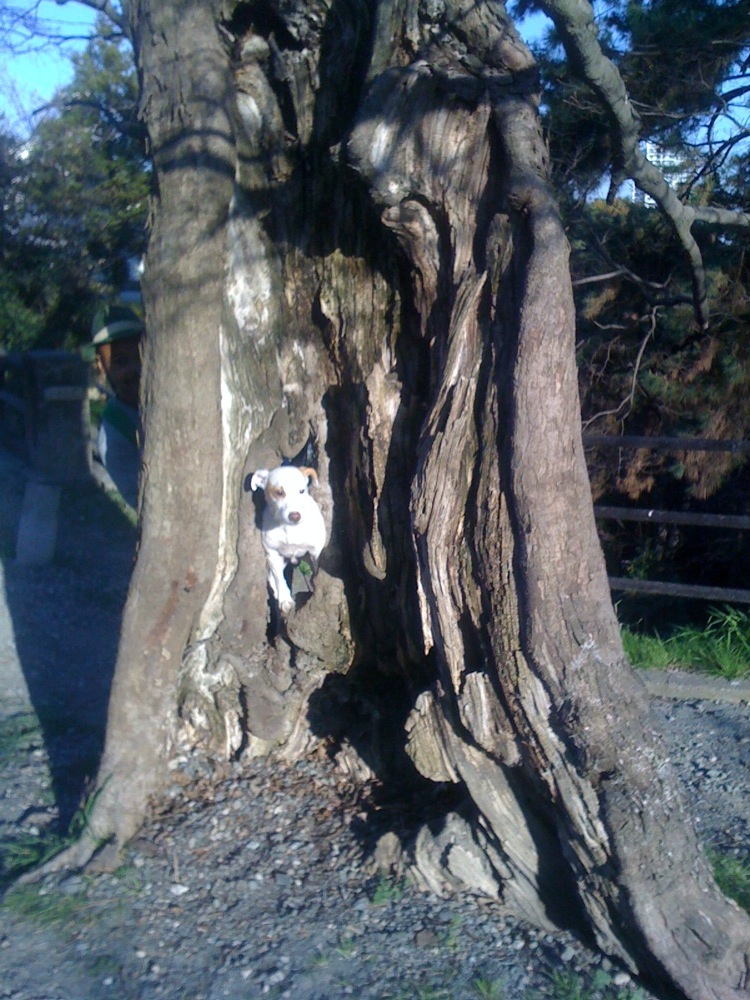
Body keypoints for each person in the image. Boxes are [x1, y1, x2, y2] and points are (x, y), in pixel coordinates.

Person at [92, 305, 143, 510]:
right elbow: (142, 502)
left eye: (140, 356)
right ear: (102, 366)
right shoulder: (115, 433)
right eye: (120, 362)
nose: (135, 368)